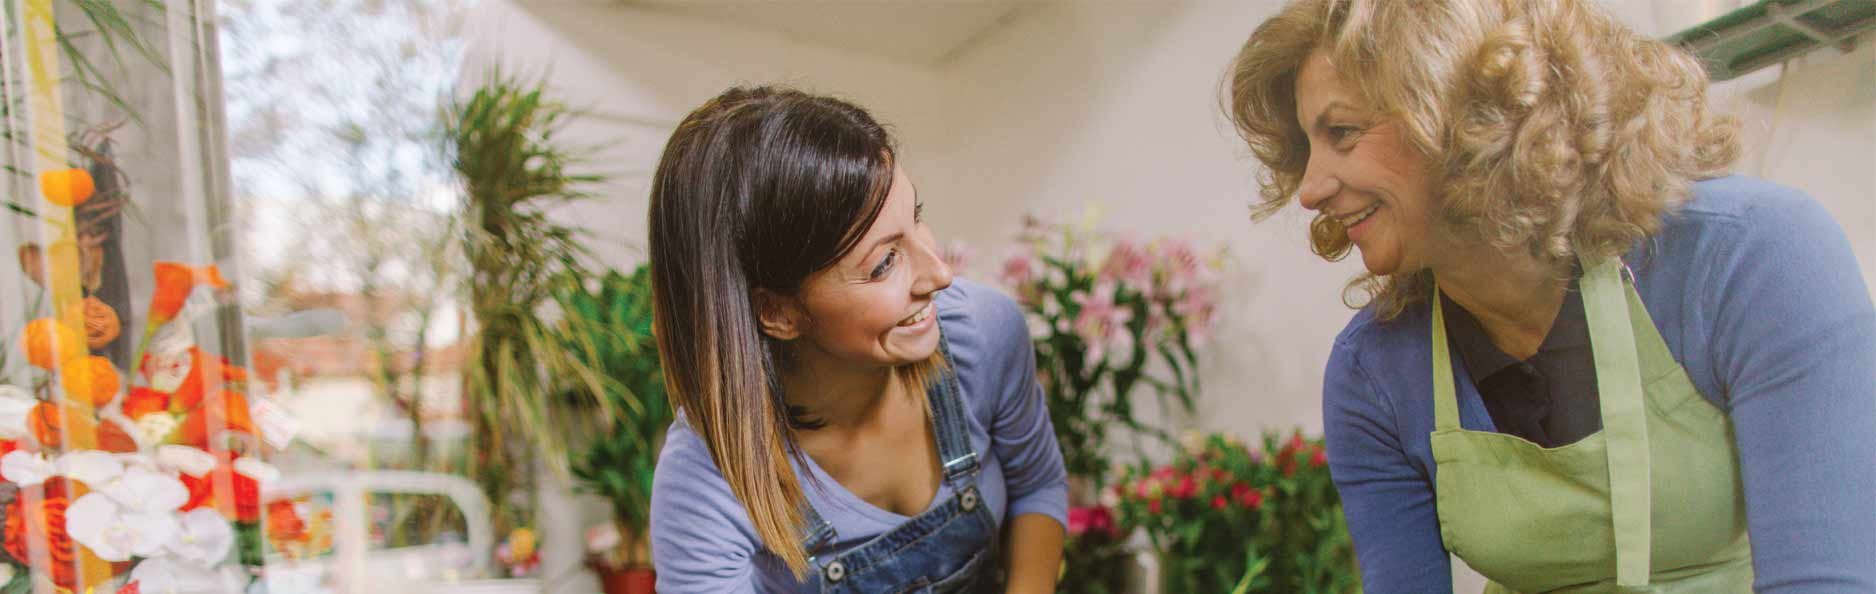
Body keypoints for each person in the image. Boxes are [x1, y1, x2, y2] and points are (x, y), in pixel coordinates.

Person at [1225, 1, 1876, 592]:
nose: (1309, 190)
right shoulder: (1372, 371)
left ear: (1470, 118)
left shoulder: (1751, 258)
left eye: (1342, 132)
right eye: (1307, 146)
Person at [645, 86, 1068, 594]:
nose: (939, 274)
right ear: (776, 311)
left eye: (916, 218)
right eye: (884, 262)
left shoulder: (984, 331)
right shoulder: (706, 480)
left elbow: (1038, 486)